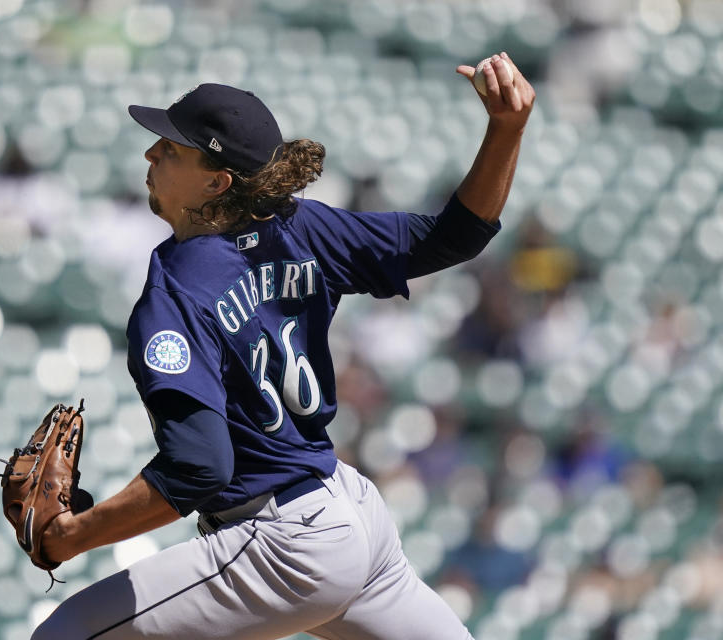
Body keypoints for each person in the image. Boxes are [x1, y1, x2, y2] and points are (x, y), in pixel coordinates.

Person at [33, 52, 535, 640]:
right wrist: (507, 129)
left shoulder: (176, 286)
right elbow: (456, 237)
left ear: (216, 182)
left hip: (286, 544)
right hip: (350, 514)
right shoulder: (300, 227)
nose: (150, 154)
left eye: (170, 149)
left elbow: (200, 466)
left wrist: (72, 534)